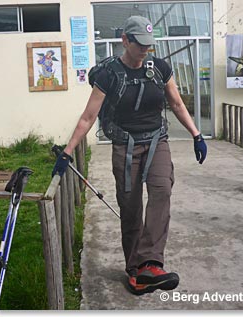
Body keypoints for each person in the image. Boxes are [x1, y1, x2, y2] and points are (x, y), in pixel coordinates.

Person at [52, 15, 207, 294]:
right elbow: (89, 117)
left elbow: (176, 102)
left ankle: (151, 263)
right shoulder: (109, 74)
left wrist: (197, 134)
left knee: (162, 191)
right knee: (131, 207)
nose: (145, 50)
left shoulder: (159, 68)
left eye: (149, 45)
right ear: (125, 40)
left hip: (156, 141)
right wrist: (67, 151)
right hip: (125, 146)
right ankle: (135, 270)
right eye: (139, 44)